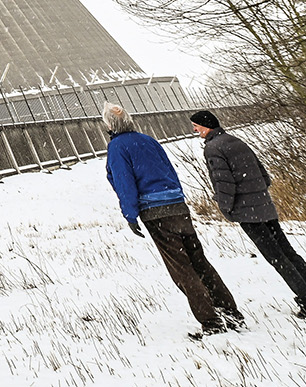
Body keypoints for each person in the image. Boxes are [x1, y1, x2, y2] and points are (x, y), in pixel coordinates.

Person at [103, 102, 243, 338]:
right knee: (200, 262)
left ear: (109, 125)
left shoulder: (118, 147)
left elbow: (124, 181)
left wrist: (130, 214)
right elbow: (169, 171)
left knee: (182, 270)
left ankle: (211, 322)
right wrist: (177, 199)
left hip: (156, 213)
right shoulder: (148, 140)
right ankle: (230, 312)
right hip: (178, 206)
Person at [191, 110, 306, 318]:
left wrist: (226, 208)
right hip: (265, 206)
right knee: (288, 252)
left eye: (196, 125)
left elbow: (224, 183)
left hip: (248, 213)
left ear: (206, 125)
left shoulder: (213, 148)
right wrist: (257, 195)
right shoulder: (236, 141)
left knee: (276, 257)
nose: (194, 129)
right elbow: (264, 176)